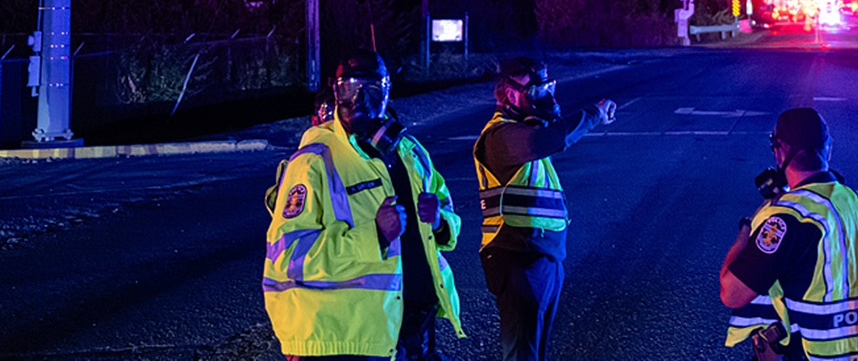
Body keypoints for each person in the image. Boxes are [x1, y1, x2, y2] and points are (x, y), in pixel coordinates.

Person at [263, 50, 464, 360]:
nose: (360, 101)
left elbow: (448, 210)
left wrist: (439, 222)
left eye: (372, 89)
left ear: (387, 92)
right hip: (347, 339)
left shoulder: (410, 152)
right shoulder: (314, 161)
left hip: (411, 326)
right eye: (350, 89)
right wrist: (376, 237)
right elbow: (287, 255)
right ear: (335, 91)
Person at [471, 56, 617, 361]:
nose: (547, 97)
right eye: (536, 90)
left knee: (534, 351)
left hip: (541, 255)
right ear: (511, 95)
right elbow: (549, 138)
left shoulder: (521, 131)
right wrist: (594, 113)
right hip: (517, 256)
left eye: (549, 87)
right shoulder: (501, 136)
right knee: (522, 353)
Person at [719, 107, 858, 361]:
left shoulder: (789, 218)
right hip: (850, 352)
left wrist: (747, 228)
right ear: (828, 148)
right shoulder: (856, 203)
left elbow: (731, 293)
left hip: (805, 353)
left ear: (780, 151)